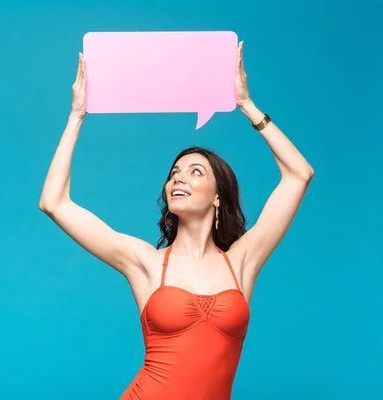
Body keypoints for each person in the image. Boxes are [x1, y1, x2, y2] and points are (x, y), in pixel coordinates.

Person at [38, 41, 314, 400]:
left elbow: (299, 174)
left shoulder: (242, 263)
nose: (179, 179)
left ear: (218, 197)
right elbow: (54, 202)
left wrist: (247, 105)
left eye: (195, 172)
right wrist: (76, 116)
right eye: (174, 173)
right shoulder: (146, 264)